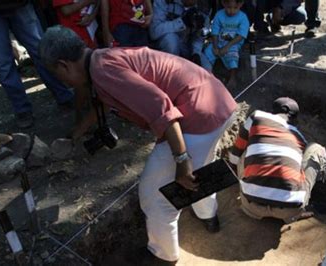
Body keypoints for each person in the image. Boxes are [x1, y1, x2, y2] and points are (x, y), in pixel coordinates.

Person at [39, 25, 237, 265]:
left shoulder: (103, 71)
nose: (65, 83)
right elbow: (102, 102)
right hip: (217, 102)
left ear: (64, 65)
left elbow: (162, 108)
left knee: (155, 195)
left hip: (197, 116)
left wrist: (182, 160)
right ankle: (209, 217)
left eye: (60, 76)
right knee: (202, 167)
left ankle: (163, 255)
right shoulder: (101, 59)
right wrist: (75, 135)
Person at [228, 97, 326, 223]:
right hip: (289, 210)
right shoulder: (299, 137)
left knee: (246, 150)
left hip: (250, 205)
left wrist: (238, 175)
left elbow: (234, 157)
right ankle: (299, 203)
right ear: (293, 117)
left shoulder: (256, 116)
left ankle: (254, 187)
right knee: (317, 149)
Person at [0, 2, 74, 129]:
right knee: (2, 64)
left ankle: (63, 96)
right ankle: (22, 110)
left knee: (41, 52)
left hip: (20, 5)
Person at [203, 0, 249, 88]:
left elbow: (241, 36)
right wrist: (215, 46)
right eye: (228, 7)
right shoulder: (219, 15)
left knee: (233, 55)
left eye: (235, 8)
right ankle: (208, 75)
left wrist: (227, 47)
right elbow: (215, 32)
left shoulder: (243, 17)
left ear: (240, 4)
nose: (231, 11)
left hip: (234, 43)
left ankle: (233, 77)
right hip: (219, 41)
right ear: (223, 3)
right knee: (208, 52)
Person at [150, 0, 209, 66]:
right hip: (166, 45)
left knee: (206, 66)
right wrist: (181, 22)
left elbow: (200, 36)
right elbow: (154, 32)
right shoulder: (163, 1)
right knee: (171, 41)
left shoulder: (203, 7)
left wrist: (196, 53)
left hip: (186, 46)